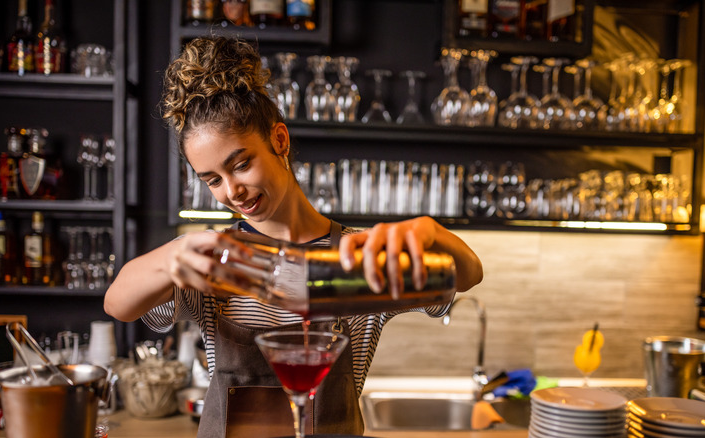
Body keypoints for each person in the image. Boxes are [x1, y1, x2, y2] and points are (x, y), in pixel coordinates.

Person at [104, 36, 483, 438]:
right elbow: (118, 304)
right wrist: (174, 255)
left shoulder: (357, 255)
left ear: (279, 141)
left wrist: (430, 231)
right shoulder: (214, 260)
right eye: (213, 179)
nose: (232, 191)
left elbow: (467, 275)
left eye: (242, 164)